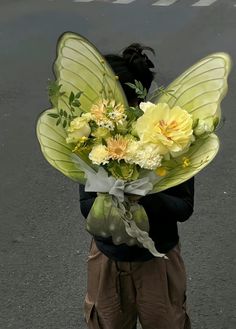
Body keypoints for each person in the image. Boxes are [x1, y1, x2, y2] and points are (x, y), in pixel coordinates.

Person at [79, 43, 194, 329]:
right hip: (108, 260)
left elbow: (184, 207)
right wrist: (111, 193)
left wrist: (141, 194)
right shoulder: (95, 139)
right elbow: (85, 207)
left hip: (158, 261)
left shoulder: (168, 139)